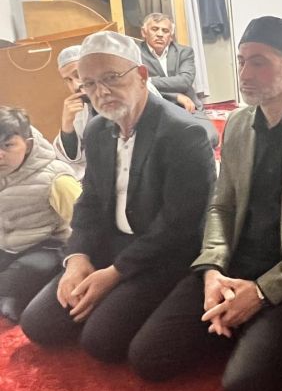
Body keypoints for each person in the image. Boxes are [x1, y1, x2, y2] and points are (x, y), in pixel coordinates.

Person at [128, 17, 282, 391]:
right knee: (148, 357)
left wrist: (263, 292)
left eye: (259, 62)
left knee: (244, 386)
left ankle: (269, 333)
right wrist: (213, 270)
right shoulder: (237, 123)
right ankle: (242, 326)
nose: (245, 74)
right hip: (234, 264)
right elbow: (221, 206)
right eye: (241, 61)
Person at [20, 31, 216, 363]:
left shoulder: (183, 133)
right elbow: (89, 202)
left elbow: (179, 225)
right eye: (89, 84)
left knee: (101, 341)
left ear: (141, 75)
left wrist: (115, 274)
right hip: (110, 245)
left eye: (111, 77)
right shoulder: (98, 130)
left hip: (162, 255)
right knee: (38, 324)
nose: (101, 91)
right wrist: (77, 258)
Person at [0, 107, 80, 323]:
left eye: (8, 145)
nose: (0, 154)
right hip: (9, 246)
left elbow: (85, 224)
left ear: (28, 145)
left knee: (25, 273)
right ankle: (10, 297)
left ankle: (13, 297)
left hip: (48, 247)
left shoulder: (56, 178)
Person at [138, 13, 219, 147]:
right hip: (155, 108)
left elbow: (184, 81)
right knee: (163, 144)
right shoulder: (136, 53)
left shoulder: (184, 52)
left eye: (165, 31)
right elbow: (136, 85)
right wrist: (176, 96)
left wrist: (149, 81)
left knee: (210, 137)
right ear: (144, 32)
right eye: (155, 29)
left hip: (188, 106)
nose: (160, 34)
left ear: (171, 36)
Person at [53, 45, 92, 179]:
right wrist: (67, 124)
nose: (75, 85)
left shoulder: (123, 97)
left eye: (78, 75)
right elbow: (73, 158)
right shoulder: (82, 108)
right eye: (68, 80)